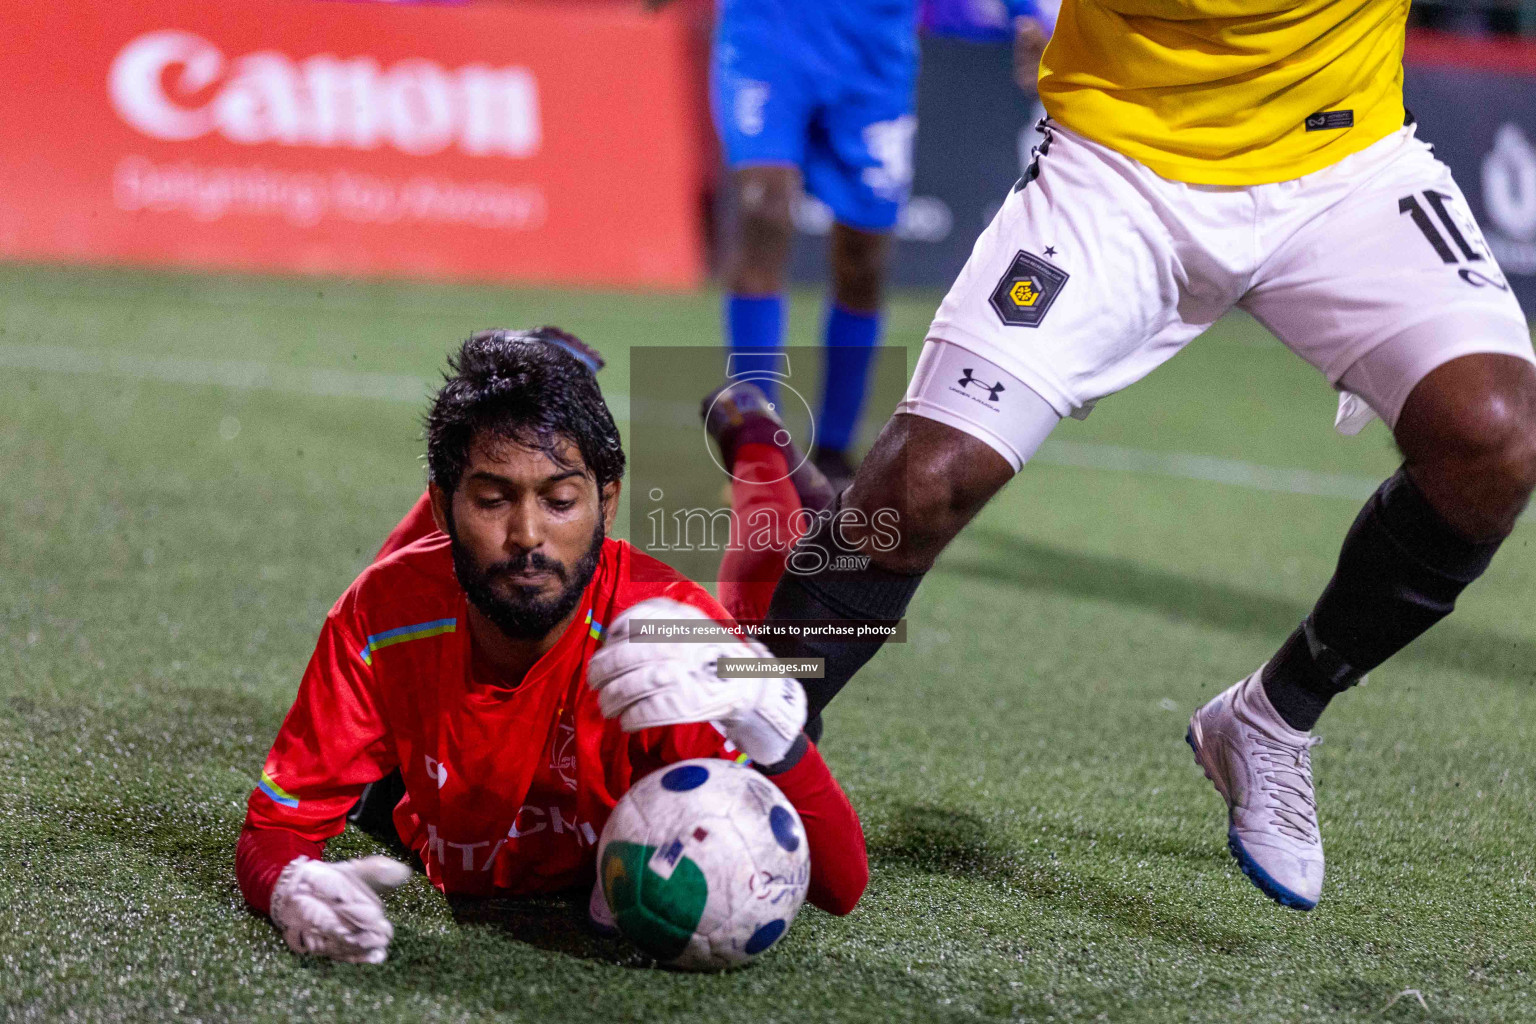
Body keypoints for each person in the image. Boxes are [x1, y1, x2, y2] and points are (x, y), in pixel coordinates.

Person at [649, 0, 1536, 913]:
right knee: (921, 483)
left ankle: (1272, 718)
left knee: (1497, 440)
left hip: (1344, 164)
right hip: (1118, 172)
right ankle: (733, 757)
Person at [235, 328, 867, 964]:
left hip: (657, 663)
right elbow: (275, 828)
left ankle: (754, 433)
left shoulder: (665, 634)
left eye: (562, 500)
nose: (528, 534)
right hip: (421, 781)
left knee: (760, 611)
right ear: (442, 504)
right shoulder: (380, 615)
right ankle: (534, 381)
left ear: (607, 502)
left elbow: (842, 887)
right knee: (426, 580)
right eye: (490, 500)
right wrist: (286, 884)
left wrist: (776, 728)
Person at [649, 0, 1047, 487]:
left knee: (864, 261)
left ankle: (834, 449)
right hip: (766, 39)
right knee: (762, 209)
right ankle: (755, 447)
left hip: (872, 61)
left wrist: (1028, 13)